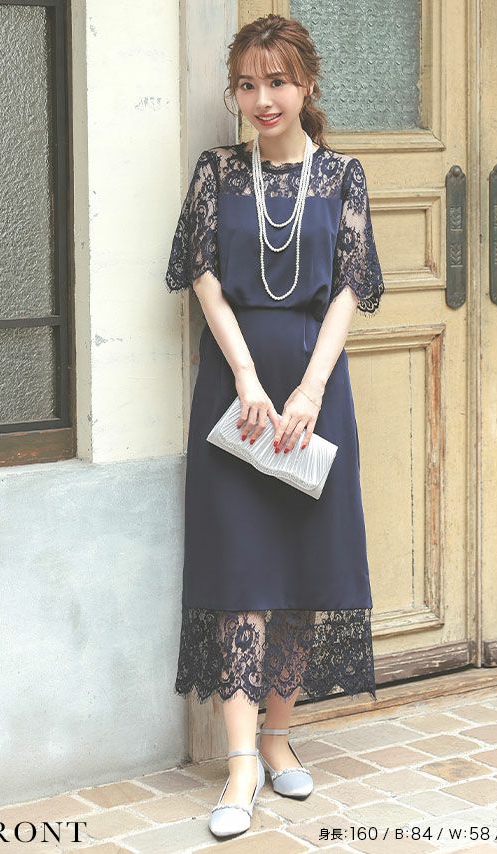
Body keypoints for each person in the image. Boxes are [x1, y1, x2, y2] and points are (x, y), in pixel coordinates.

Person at [165, 13, 385, 839]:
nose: (263, 99)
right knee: (239, 573)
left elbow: (349, 288)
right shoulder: (217, 172)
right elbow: (202, 276)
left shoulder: (343, 177)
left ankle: (279, 738)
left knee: (299, 569)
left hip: (313, 396)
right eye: (248, 84)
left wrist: (311, 389)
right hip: (236, 396)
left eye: (278, 82)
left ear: (307, 85)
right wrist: (249, 377)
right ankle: (240, 764)